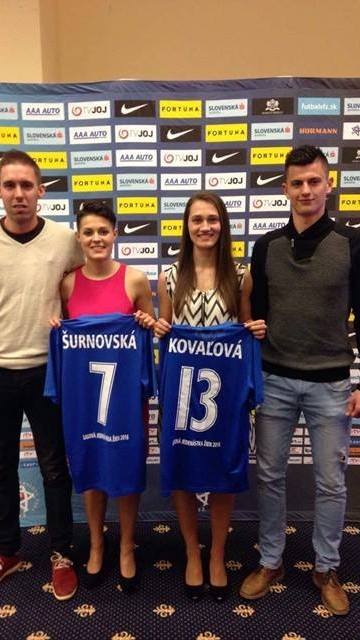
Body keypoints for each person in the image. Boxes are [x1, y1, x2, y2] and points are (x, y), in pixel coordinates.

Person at [239, 145, 360, 616]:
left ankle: (326, 568)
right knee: (269, 476)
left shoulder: (354, 245)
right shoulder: (266, 247)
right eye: (297, 182)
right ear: (284, 188)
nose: (305, 190)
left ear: (328, 185)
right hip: (275, 380)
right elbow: (256, 318)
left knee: (331, 483)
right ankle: (271, 561)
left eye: (314, 181)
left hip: (332, 385)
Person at [0, 149, 83, 600]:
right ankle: (7, 551)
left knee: (54, 467)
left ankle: (61, 553)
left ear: (41, 191)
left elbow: (82, 294)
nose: (18, 194)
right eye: (9, 185)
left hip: (47, 372)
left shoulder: (66, 240)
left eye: (26, 185)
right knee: (0, 467)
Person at [153, 191, 266, 602]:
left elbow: (245, 326)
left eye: (212, 219)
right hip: (182, 395)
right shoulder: (169, 277)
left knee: (223, 474)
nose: (205, 227)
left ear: (223, 225)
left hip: (225, 395)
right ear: (186, 226)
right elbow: (165, 328)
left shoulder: (241, 276)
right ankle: (191, 553)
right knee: (182, 472)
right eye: (197, 220)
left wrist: (254, 330)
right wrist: (159, 328)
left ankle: (217, 554)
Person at [49, 200, 156, 594]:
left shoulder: (136, 280)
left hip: (125, 400)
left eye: (103, 231)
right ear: (79, 237)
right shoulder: (67, 284)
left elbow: (152, 331)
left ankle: (126, 545)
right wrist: (57, 327)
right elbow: (64, 336)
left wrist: (146, 321)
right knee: (91, 467)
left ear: (115, 235)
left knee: (126, 471)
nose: (96, 238)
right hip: (86, 401)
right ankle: (96, 543)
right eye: (89, 232)